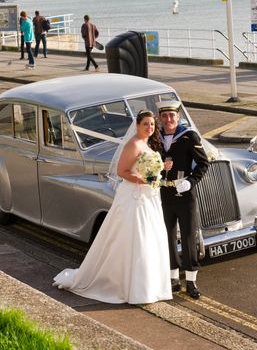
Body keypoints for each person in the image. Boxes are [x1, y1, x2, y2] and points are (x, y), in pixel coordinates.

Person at [53, 110, 172, 304]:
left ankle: (148, 286)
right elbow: (122, 171)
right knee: (134, 238)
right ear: (137, 125)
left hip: (148, 197)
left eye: (152, 125)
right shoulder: (133, 144)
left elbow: (148, 168)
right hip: (135, 197)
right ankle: (128, 286)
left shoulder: (146, 143)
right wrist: (143, 180)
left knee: (149, 238)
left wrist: (160, 170)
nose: (150, 128)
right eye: (146, 124)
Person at [157, 101, 209, 300]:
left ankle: (191, 281)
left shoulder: (189, 136)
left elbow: (203, 163)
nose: (169, 119)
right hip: (163, 193)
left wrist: (191, 181)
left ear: (178, 117)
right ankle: (173, 279)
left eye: (172, 115)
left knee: (187, 236)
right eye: (165, 116)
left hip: (185, 194)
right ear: (160, 118)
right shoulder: (155, 138)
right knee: (167, 236)